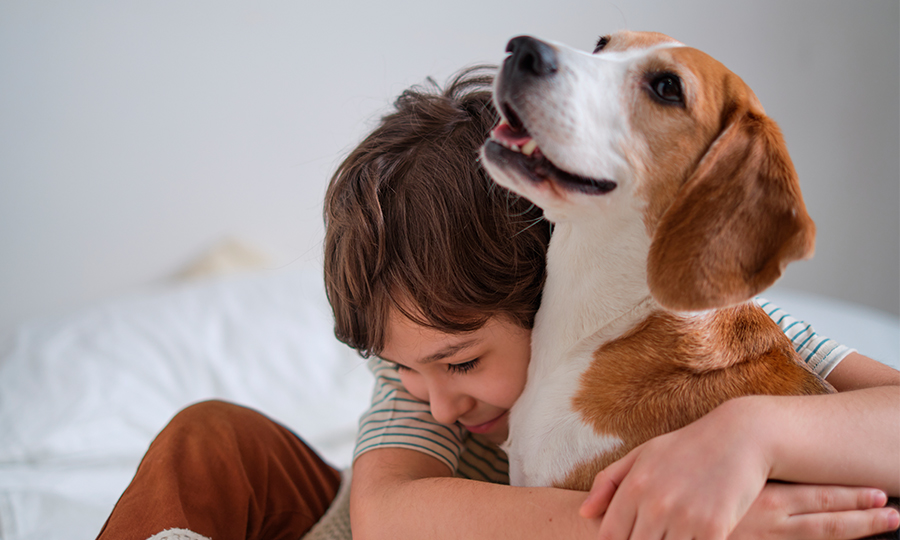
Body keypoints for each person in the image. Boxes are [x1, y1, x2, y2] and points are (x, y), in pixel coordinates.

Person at [96, 66, 900, 540]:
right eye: (402, 368)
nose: (438, 402)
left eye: (463, 362)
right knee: (212, 440)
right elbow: (387, 513)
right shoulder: (425, 375)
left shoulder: (695, 330)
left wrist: (749, 432)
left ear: (551, 286)